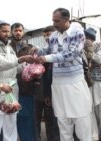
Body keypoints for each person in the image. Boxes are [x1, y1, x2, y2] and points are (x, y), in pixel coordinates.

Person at [34, 8, 92, 141]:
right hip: (58, 84)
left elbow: (72, 54)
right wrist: (37, 51)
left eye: (57, 21)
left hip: (74, 83)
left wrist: (47, 58)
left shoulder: (77, 32)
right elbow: (46, 50)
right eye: (53, 20)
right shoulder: (53, 36)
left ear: (67, 20)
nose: (54, 24)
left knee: (81, 122)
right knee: (63, 123)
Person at [0, 20, 35, 141]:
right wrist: (21, 59)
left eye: (8, 31)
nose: (8, 34)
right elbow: (0, 64)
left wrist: (30, 67)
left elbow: (15, 68)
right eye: (4, 31)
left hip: (10, 96)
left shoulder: (8, 48)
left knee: (10, 129)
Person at [10, 22, 37, 141]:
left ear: (23, 32)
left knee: (26, 118)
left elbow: (36, 66)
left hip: (26, 88)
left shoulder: (30, 48)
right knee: (9, 118)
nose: (17, 32)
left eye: (20, 30)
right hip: (8, 89)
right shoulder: (6, 48)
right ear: (11, 32)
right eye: (15, 30)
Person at [34, 25, 60, 141]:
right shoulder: (43, 51)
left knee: (58, 120)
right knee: (51, 119)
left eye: (48, 35)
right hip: (48, 89)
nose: (46, 37)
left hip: (62, 89)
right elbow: (44, 75)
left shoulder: (61, 48)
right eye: (44, 35)